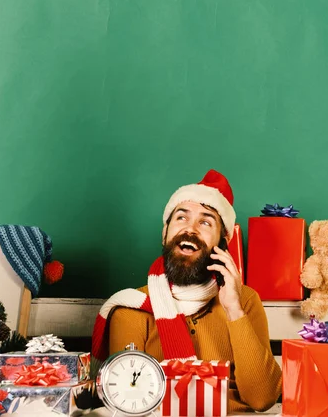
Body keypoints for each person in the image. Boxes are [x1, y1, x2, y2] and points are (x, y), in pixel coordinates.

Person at [92, 170, 282, 413]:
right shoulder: (131, 310)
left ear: (222, 243)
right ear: (165, 233)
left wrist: (234, 309)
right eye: (181, 218)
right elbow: (127, 403)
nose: (190, 229)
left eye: (205, 222)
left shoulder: (244, 300)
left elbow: (262, 398)